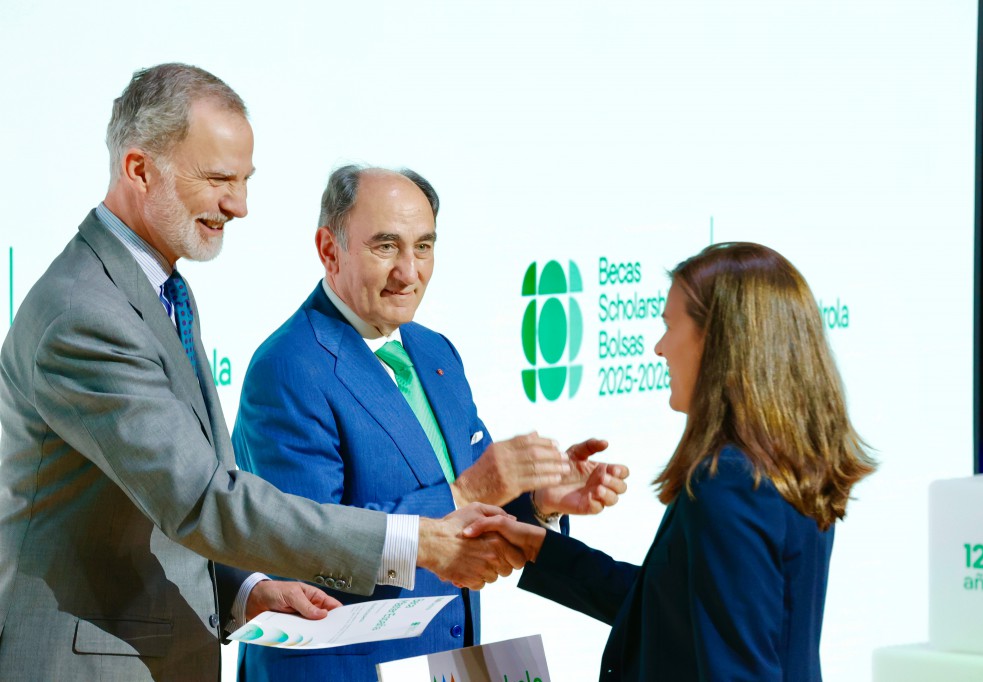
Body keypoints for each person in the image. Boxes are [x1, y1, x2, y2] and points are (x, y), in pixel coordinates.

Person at [0, 64, 523, 682]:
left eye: (245, 180)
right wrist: (416, 540)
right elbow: (202, 499)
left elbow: (163, 500)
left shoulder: (158, 288)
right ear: (139, 170)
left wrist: (246, 591)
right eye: (219, 179)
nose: (240, 206)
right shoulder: (85, 314)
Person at [231, 164, 630, 681]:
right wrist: (470, 490)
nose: (409, 272)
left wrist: (538, 501)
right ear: (330, 250)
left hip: (447, 662)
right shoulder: (287, 367)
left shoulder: (435, 351)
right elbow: (305, 551)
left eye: (423, 247)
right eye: (385, 247)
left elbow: (474, 504)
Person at [465, 242, 877, 681]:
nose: (659, 348)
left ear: (717, 341)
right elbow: (673, 612)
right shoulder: (779, 462)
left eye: (669, 326)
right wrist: (540, 546)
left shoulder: (732, 483)